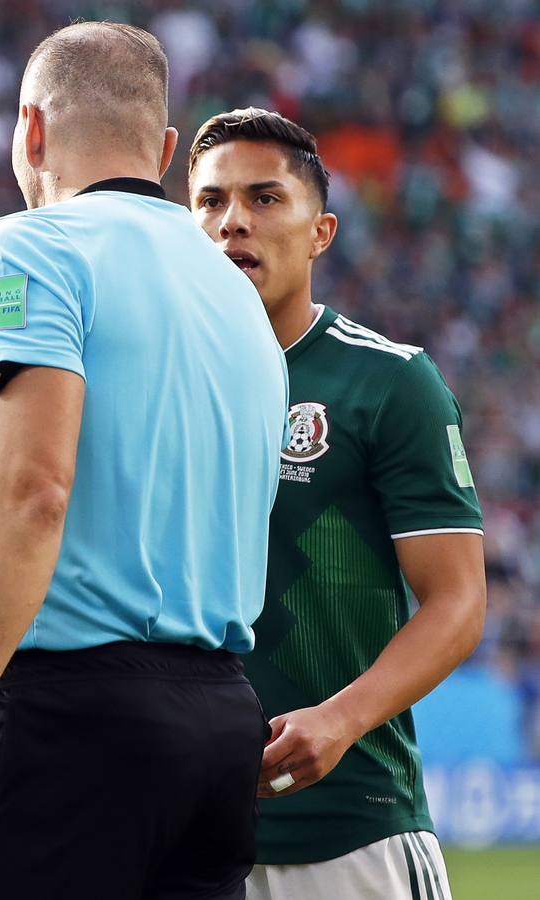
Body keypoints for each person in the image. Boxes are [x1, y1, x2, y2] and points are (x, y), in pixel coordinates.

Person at [0, 21, 288, 899]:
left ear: (30, 129)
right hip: (220, 727)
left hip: (74, 720)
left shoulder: (32, 245)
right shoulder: (240, 292)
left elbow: (29, 492)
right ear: (168, 149)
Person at [188, 107, 486, 900]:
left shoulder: (388, 383)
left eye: (262, 199)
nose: (231, 223)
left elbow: (456, 601)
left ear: (320, 232)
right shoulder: (153, 385)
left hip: (349, 831)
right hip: (177, 829)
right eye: (209, 203)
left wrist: (341, 718)